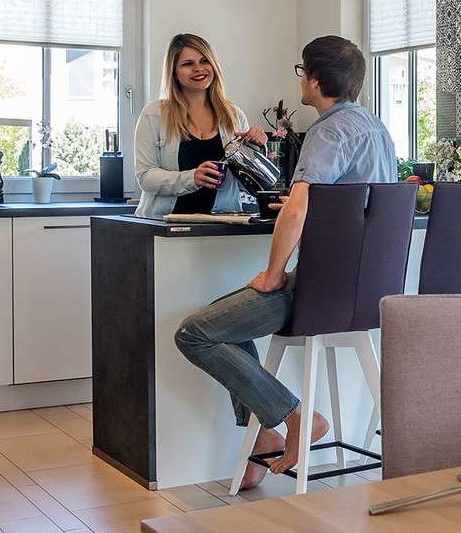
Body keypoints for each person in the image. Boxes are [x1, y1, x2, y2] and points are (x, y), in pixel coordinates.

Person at [174, 35, 397, 488]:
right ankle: (264, 439)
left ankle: (295, 416)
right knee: (228, 323)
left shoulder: (328, 130)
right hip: (365, 292)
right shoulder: (377, 129)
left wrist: (273, 275)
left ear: (314, 80)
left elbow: (296, 208)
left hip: (320, 289)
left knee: (196, 332)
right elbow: (355, 204)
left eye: (302, 72)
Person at [134, 33, 267, 217]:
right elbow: (146, 177)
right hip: (164, 228)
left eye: (204, 61)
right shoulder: (154, 114)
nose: (198, 68)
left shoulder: (234, 115)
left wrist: (256, 148)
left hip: (220, 227)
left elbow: (252, 183)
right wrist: (192, 178)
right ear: (173, 71)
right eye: (188, 64)